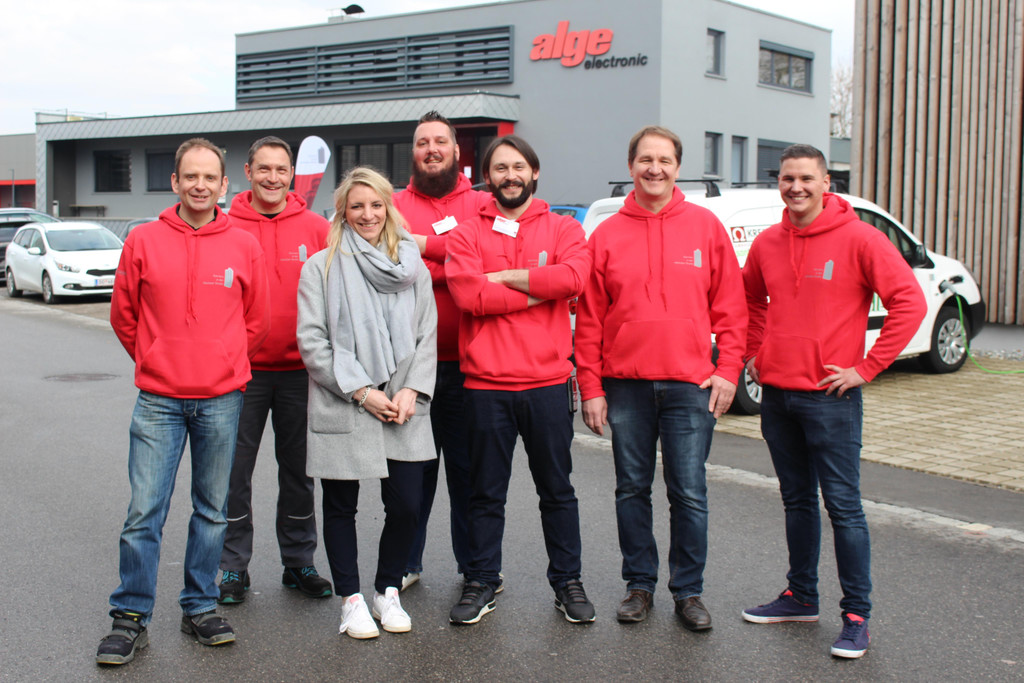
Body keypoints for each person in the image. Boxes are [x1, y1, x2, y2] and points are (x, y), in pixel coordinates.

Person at [740, 144, 926, 658]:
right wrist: (755, 350)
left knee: (843, 507)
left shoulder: (861, 238)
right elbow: (750, 298)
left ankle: (857, 616)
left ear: (826, 184)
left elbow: (909, 302)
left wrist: (866, 367)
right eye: (787, 178)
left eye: (806, 178)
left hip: (831, 397)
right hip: (778, 396)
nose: (796, 187)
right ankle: (801, 597)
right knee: (796, 501)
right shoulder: (768, 243)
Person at [97, 138, 270, 666]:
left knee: (213, 511)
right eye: (190, 176)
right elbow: (123, 315)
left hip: (221, 399)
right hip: (158, 399)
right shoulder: (143, 240)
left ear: (224, 184)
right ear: (174, 182)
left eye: (209, 177)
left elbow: (257, 322)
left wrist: (223, 364)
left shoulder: (244, 245)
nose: (199, 185)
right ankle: (130, 616)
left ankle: (200, 606)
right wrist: (155, 360)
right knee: (143, 512)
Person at [575, 125, 747, 631]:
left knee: (688, 491)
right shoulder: (606, 235)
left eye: (665, 160)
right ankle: (639, 585)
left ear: (678, 167)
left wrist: (728, 370)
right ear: (631, 166)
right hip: (625, 385)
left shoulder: (706, 228)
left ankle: (688, 592)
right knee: (631, 489)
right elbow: (589, 320)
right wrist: (591, 387)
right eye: (646, 160)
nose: (655, 169)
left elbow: (732, 308)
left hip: (691, 386)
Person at [445, 135, 595, 625]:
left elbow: (573, 280)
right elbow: (469, 297)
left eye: (518, 167)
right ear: (488, 177)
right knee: (484, 493)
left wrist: (506, 277)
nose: (510, 176)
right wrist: (538, 289)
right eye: (500, 168)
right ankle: (481, 580)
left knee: (557, 491)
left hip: (547, 384)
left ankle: (567, 582)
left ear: (534, 172)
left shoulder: (564, 228)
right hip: (485, 386)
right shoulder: (467, 234)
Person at [296, 167, 437, 639]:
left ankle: (387, 590)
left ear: (388, 208)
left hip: (402, 404)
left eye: (376, 204)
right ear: (342, 211)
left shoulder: (412, 267)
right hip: (345, 401)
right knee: (340, 507)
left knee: (408, 506)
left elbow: (427, 334)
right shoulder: (320, 267)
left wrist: (412, 389)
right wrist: (361, 391)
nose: (368, 214)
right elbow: (313, 342)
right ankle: (351, 600)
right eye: (357, 206)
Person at [218, 136, 332, 604]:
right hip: (239, 373)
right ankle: (232, 567)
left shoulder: (317, 228)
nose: (272, 178)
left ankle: (299, 561)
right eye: (263, 169)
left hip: (300, 372)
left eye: (281, 169)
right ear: (248, 172)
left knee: (299, 472)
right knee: (232, 473)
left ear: (292, 175)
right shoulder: (225, 227)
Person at [393, 111, 490, 590]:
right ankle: (405, 562)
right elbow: (389, 268)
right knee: (411, 475)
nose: (431, 149)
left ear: (456, 150)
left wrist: (422, 247)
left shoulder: (484, 203)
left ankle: (475, 567)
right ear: (413, 152)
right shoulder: (391, 204)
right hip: (410, 368)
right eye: (422, 142)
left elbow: (487, 262)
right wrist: (453, 262)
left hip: (473, 365)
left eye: (440, 141)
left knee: (470, 475)